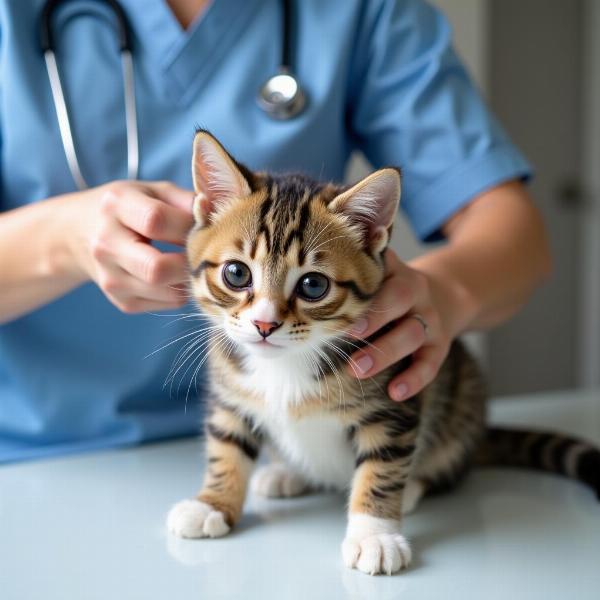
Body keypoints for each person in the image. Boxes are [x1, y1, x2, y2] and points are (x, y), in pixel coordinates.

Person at [0, 0, 551, 463]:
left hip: (295, 443)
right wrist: (62, 239)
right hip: (31, 452)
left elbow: (515, 236)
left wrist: (441, 294)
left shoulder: (357, 12)